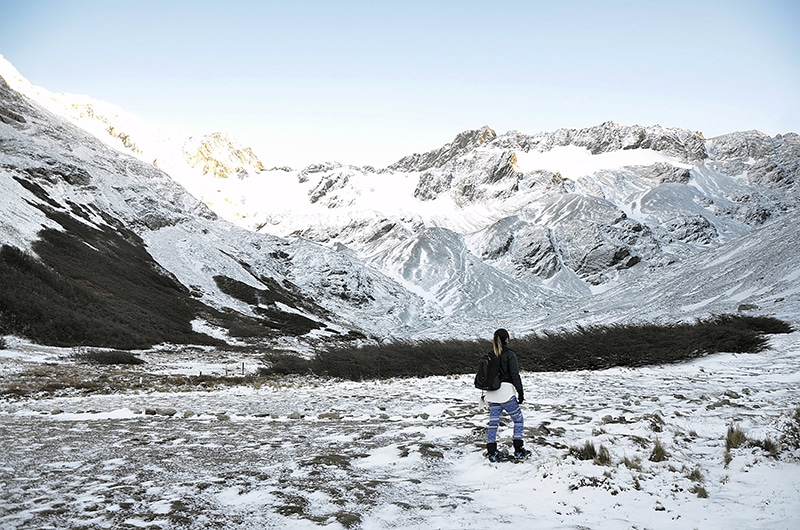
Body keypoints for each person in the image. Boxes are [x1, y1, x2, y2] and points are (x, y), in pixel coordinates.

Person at [484, 328, 532, 461]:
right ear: (506, 339)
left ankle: (492, 452)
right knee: (518, 420)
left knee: (493, 423)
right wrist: (520, 392)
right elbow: (514, 375)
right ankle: (518, 450)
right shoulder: (510, 354)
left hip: (491, 394)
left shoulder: (489, 354)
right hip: (506, 394)